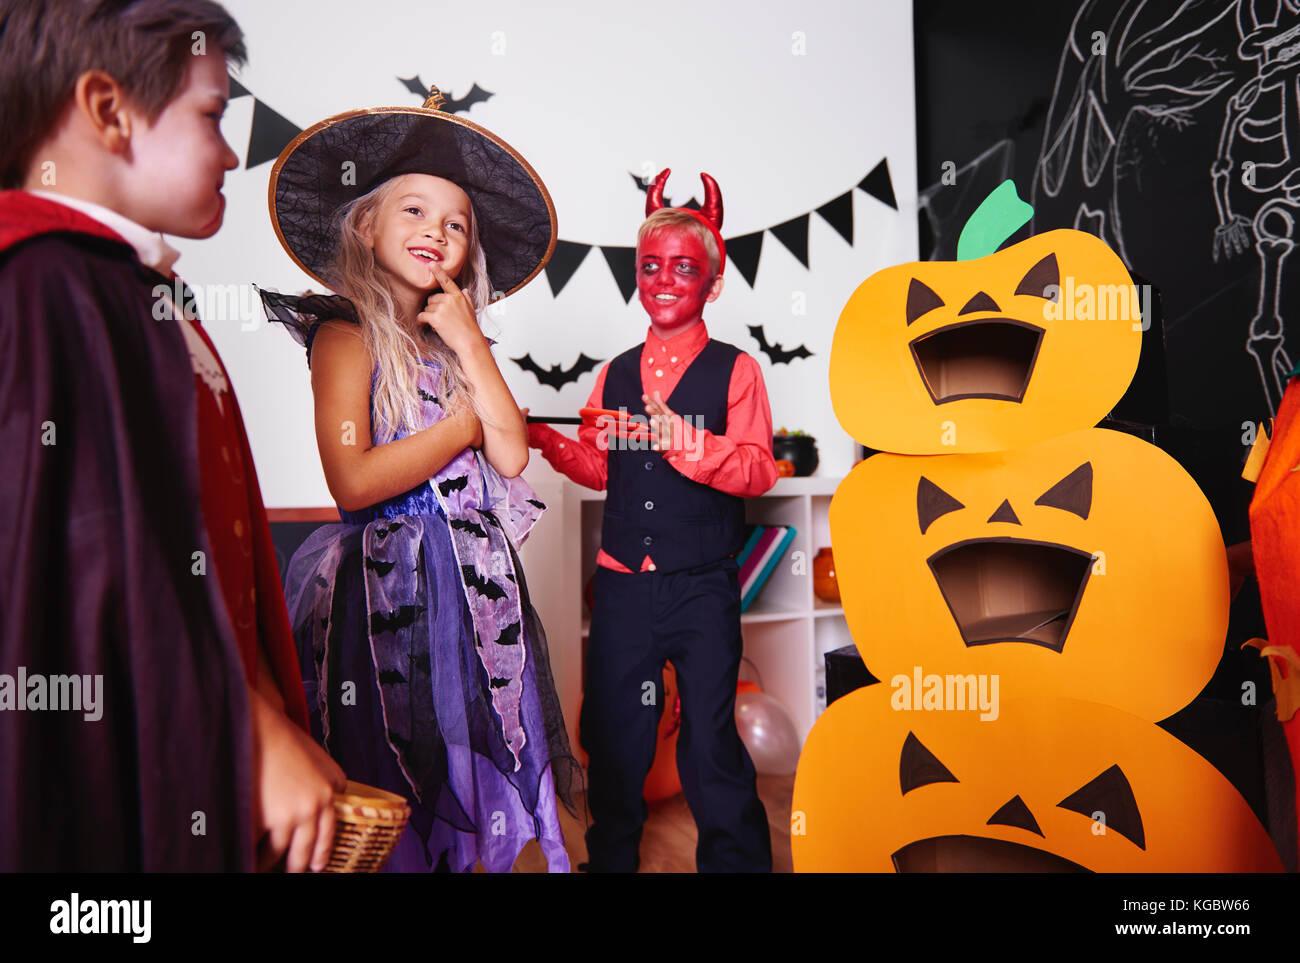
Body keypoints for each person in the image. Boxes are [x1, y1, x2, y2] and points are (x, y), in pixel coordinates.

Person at [0, 0, 344, 872]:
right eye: (212, 115)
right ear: (109, 111)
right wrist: (244, 728)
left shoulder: (131, 291)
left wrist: (262, 709)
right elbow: (93, 561)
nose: (232, 151)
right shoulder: (44, 289)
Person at [261, 89, 579, 873]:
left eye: (455, 223)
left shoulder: (453, 344)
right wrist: (459, 428)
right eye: (412, 211)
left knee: (468, 758)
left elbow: (511, 456)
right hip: (390, 598)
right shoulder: (344, 333)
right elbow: (354, 480)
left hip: (475, 597)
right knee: (396, 753)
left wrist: (471, 343)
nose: (435, 231)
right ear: (365, 226)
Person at [526, 169, 777, 872]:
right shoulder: (613, 373)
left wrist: (681, 440)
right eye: (651, 267)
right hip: (623, 587)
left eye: (684, 268)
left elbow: (758, 469)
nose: (665, 279)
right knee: (615, 739)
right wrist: (548, 441)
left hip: (702, 584)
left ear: (714, 283)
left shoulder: (738, 372)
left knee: (711, 742)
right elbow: (604, 469)